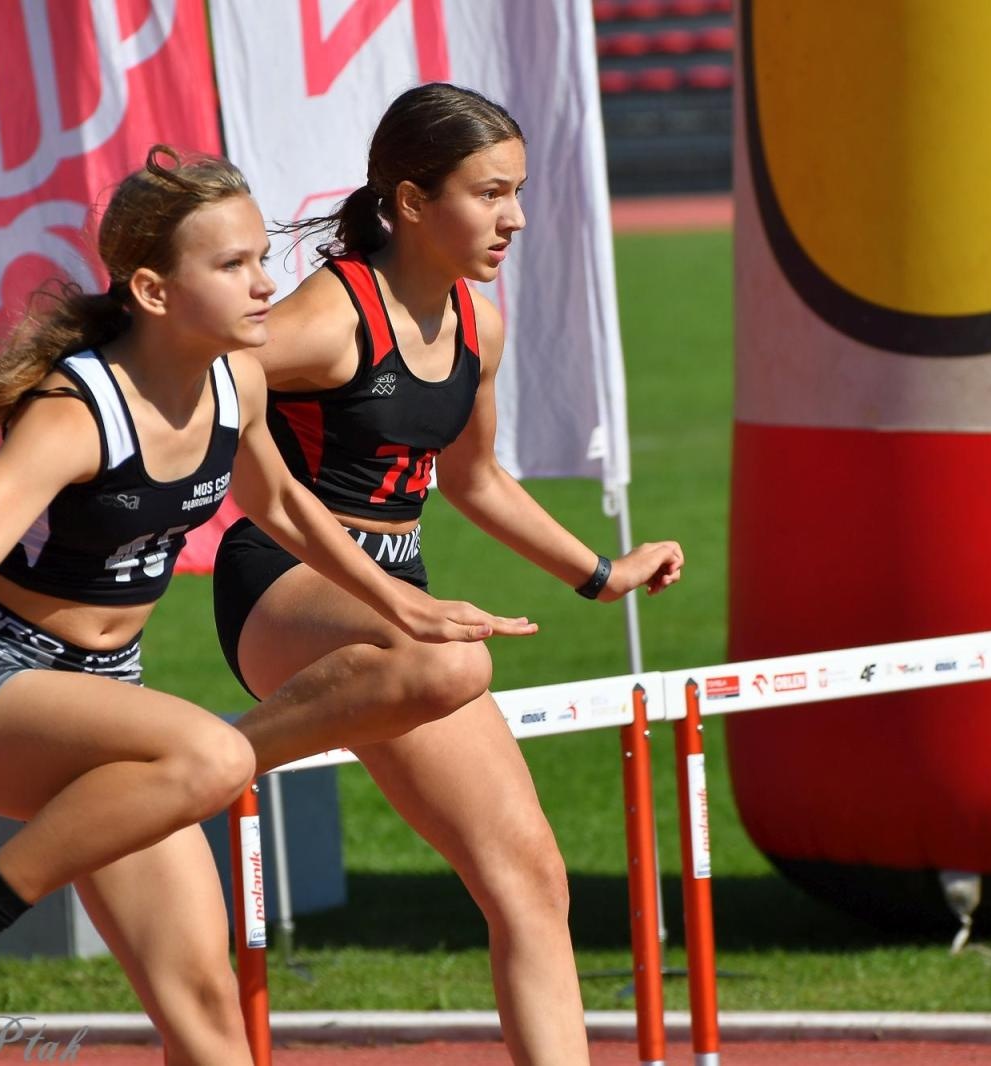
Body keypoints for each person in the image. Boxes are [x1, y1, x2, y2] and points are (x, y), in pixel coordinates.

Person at [0, 144, 530, 1060]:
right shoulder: (76, 411)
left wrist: (404, 607)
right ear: (154, 291)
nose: (264, 285)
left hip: (108, 695)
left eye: (261, 258)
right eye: (233, 265)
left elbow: (284, 505)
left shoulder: (236, 380)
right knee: (214, 756)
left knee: (208, 1013)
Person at [211, 83, 684, 1066]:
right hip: (283, 589)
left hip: (403, 608)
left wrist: (602, 574)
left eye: (517, 193)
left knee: (532, 877)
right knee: (454, 662)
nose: (512, 218)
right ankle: (200, 767)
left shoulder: (480, 326)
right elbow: (200, 368)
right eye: (488, 193)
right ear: (413, 202)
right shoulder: (328, 319)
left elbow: (472, 479)